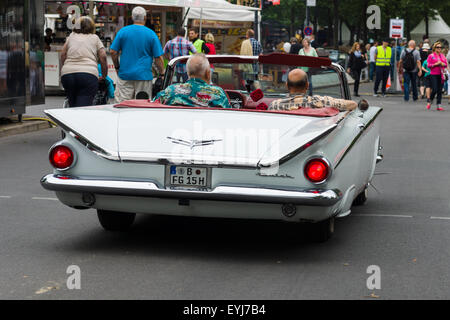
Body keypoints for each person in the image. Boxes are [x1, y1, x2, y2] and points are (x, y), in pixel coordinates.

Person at [110, 6, 165, 102]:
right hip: (143, 76)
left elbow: (113, 52)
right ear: (145, 17)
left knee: (123, 105)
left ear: (132, 17)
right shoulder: (151, 34)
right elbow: (158, 58)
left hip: (125, 76)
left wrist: (117, 67)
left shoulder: (123, 31)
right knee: (142, 106)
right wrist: (162, 73)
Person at [60, 16, 108, 107]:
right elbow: (103, 56)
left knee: (72, 104)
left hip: (68, 75)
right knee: (83, 106)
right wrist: (104, 75)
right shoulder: (95, 38)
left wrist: (65, 68)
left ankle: (71, 120)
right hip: (88, 75)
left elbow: (63, 54)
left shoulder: (71, 37)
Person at [154, 53, 231, 108]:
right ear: (208, 73)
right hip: (207, 130)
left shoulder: (170, 91)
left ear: (188, 73)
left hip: (177, 130)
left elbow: (154, 104)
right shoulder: (218, 94)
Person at [269, 69, 357, 111]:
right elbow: (353, 104)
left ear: (287, 85)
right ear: (307, 85)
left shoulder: (274, 105)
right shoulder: (319, 102)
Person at [426, 41, 448, 110]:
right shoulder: (431, 56)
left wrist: (442, 64)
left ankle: (439, 105)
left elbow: (446, 64)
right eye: (438, 47)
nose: (439, 49)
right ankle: (430, 100)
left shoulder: (443, 56)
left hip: (441, 75)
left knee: (439, 90)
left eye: (440, 47)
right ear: (434, 48)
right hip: (433, 74)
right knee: (434, 89)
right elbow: (428, 65)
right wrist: (435, 64)